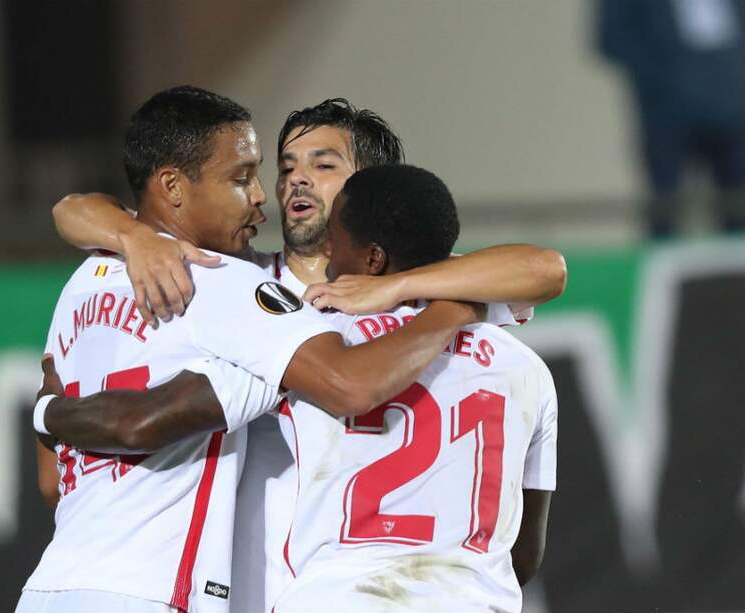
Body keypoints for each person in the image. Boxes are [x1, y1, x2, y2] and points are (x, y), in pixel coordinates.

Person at [48, 99, 566, 610]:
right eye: (286, 167)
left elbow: (546, 267)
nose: (296, 179)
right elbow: (72, 208)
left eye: (323, 166)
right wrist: (134, 235)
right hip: (254, 592)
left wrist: (394, 288)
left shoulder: (419, 284)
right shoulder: (244, 284)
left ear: (369, 188)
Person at [597, 0, 745, 237]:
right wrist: (669, 78)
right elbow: (611, 37)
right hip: (666, 115)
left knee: (738, 208)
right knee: (666, 210)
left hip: (734, 113)